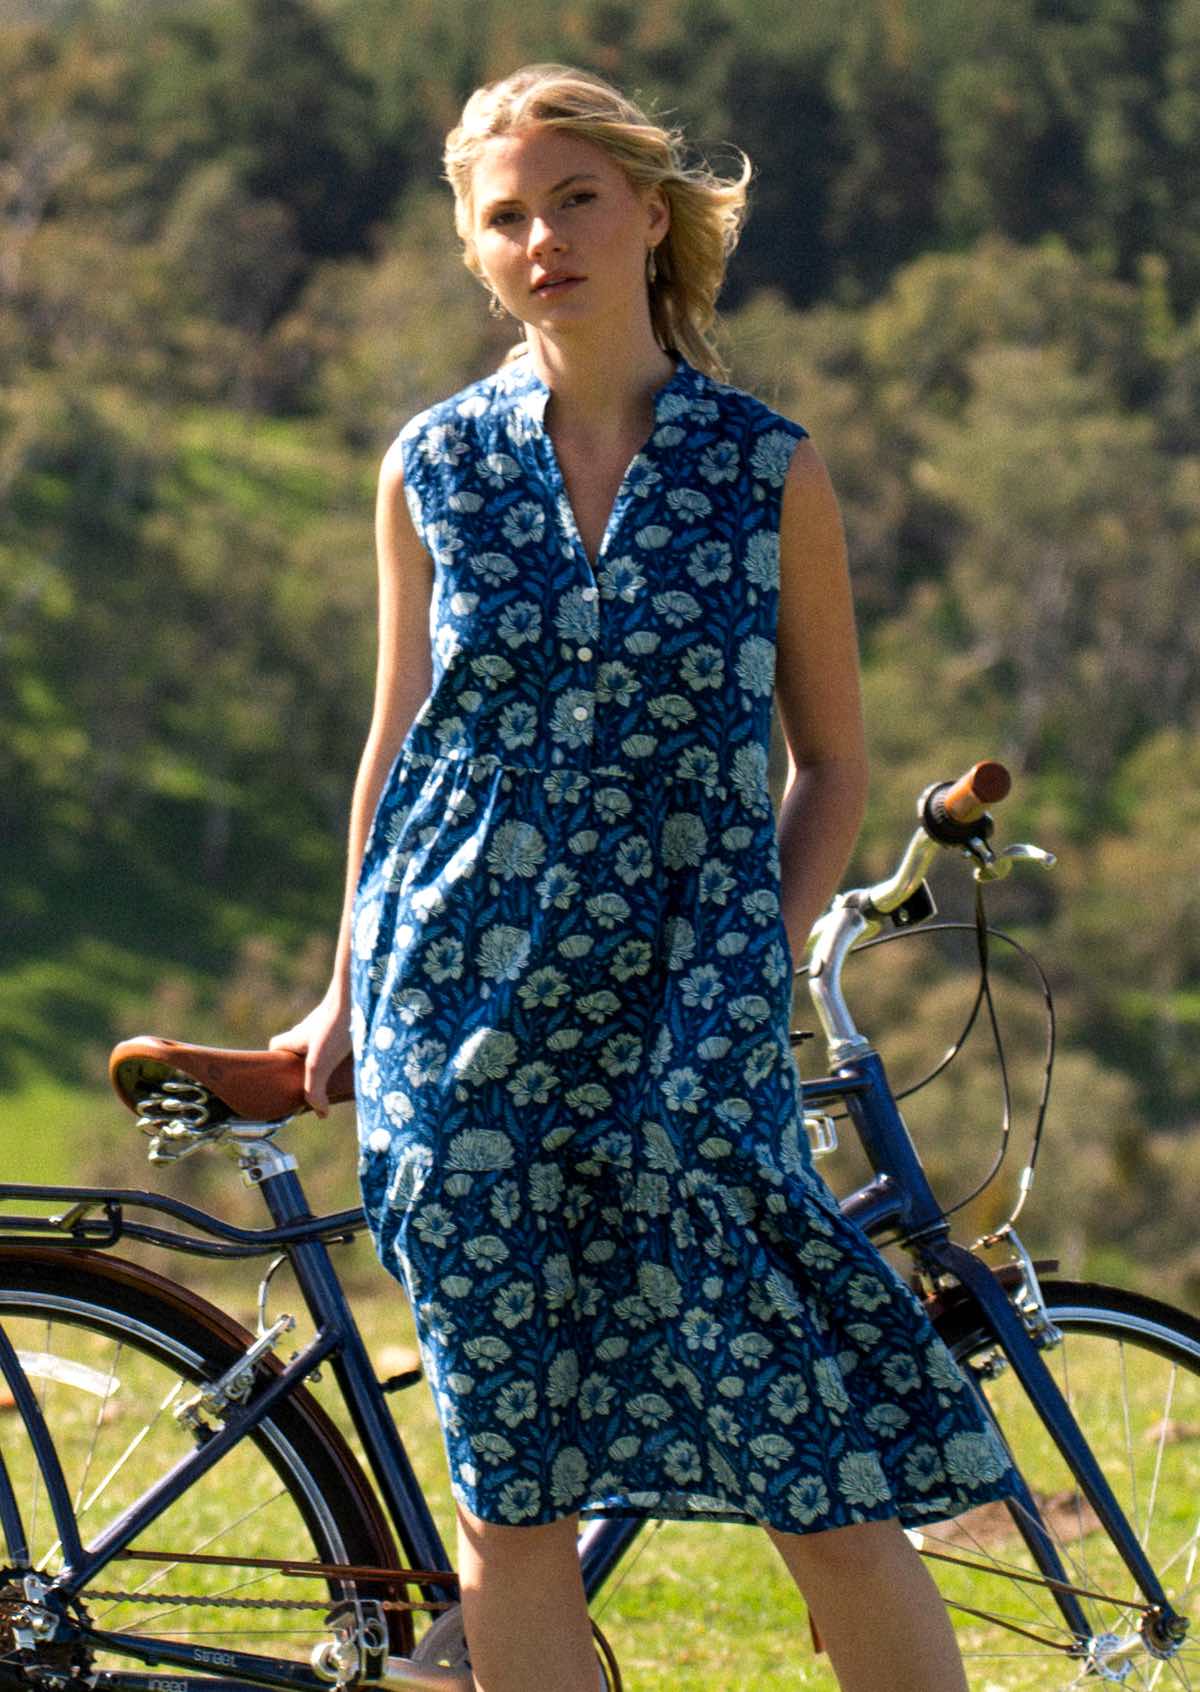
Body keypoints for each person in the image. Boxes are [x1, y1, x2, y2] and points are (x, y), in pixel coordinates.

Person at [272, 62, 1014, 1692]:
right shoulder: (432, 471)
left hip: (691, 1025)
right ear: (476, 253)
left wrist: (749, 956)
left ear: (652, 214)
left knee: (814, 1472)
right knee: (512, 1508)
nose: (544, 239)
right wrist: (343, 987)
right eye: (507, 217)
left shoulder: (765, 471)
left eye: (576, 199)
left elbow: (830, 765)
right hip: (450, 1022)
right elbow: (396, 751)